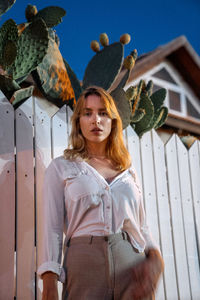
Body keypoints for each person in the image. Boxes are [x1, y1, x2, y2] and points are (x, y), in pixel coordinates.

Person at [38, 86, 164, 300]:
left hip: (131, 264)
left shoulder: (128, 170)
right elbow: (51, 229)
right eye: (87, 113)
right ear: (79, 121)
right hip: (84, 266)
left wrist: (155, 258)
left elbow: (141, 225)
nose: (95, 119)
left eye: (103, 113)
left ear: (113, 121)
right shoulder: (61, 167)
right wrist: (49, 283)